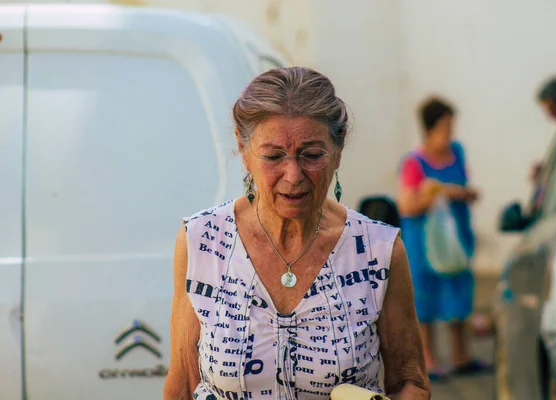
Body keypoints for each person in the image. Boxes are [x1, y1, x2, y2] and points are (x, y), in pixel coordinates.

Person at [164, 67, 430, 400]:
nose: (293, 175)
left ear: (338, 149)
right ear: (243, 149)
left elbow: (411, 381)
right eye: (274, 156)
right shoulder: (202, 241)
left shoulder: (378, 250)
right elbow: (182, 382)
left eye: (312, 155)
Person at [397, 97, 491, 382]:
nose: (450, 133)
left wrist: (461, 193)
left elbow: (463, 187)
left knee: (459, 296)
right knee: (426, 302)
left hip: (455, 241)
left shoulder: (457, 153)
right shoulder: (414, 163)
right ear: (430, 128)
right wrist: (433, 193)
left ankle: (462, 356)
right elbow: (406, 206)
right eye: (446, 127)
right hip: (424, 246)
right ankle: (429, 360)